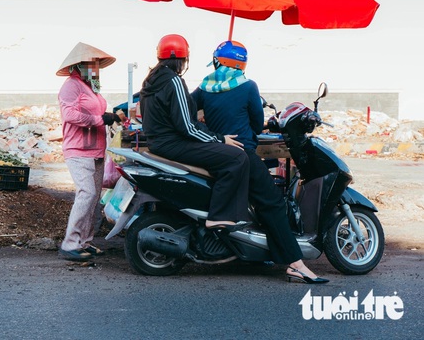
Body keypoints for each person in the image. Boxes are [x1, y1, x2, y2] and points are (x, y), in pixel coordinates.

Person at [192, 40, 329, 284]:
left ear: (217, 61)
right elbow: (257, 124)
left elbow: (190, 110)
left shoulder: (205, 87)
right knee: (273, 203)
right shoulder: (248, 87)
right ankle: (295, 264)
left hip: (215, 152)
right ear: (241, 64)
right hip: (242, 154)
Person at [139, 34, 250, 230]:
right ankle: (219, 216)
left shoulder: (151, 81)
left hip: (159, 143)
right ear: (183, 60)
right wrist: (220, 139)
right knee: (237, 158)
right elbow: (187, 127)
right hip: (174, 144)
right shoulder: (174, 81)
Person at [57, 42, 122, 261]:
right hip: (78, 149)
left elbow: (97, 112)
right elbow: (71, 116)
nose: (95, 69)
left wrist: (110, 116)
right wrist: (100, 119)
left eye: (96, 65)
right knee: (87, 194)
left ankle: (84, 241)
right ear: (79, 66)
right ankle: (70, 243)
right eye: (91, 64)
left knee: (94, 198)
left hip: (96, 150)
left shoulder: (90, 87)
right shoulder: (71, 86)